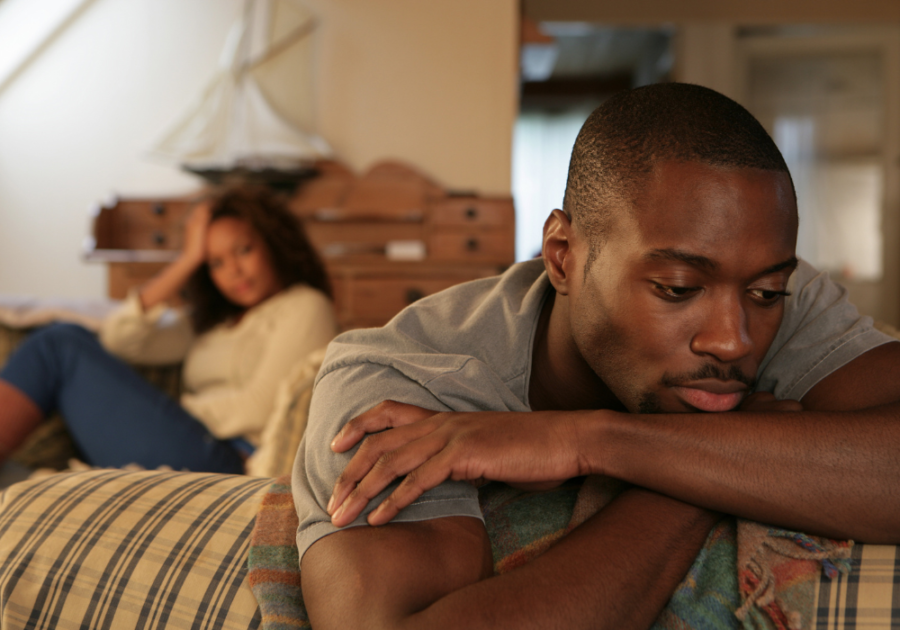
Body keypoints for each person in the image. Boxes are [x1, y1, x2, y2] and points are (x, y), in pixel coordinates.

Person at [291, 83, 900, 629]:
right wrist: (704, 478)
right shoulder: (404, 383)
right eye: (678, 289)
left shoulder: (770, 300)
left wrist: (595, 441)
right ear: (563, 256)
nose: (733, 339)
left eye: (767, 292)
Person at [0, 185, 339, 473]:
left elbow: (262, 408)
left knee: (58, 346)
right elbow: (119, 339)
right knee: (62, 339)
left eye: (244, 250)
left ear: (273, 242)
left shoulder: (305, 305)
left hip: (225, 459)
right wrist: (186, 260)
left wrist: (179, 411)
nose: (234, 271)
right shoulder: (209, 323)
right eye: (216, 263)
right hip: (187, 440)